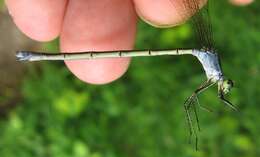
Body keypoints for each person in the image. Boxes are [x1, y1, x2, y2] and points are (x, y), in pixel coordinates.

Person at [5, 0, 252, 84]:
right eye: (225, 84)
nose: (225, 86)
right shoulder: (215, 73)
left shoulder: (214, 74)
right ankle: (35, 57)